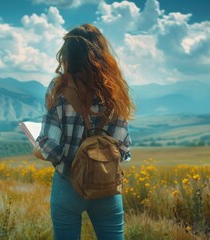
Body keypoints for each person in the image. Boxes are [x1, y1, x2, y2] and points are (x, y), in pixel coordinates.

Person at [33, 23, 135, 240]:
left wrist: (36, 147)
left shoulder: (59, 88)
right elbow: (123, 149)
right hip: (107, 186)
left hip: (68, 186)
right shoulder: (115, 90)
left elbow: (52, 151)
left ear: (66, 55)